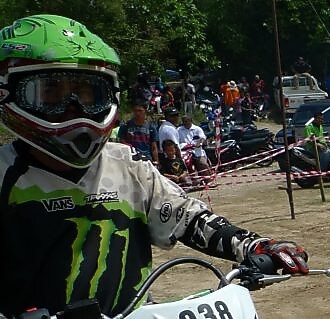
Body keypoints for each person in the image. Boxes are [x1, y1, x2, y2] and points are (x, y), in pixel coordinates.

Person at [0, 15, 309, 317]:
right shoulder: (4, 174)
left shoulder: (126, 163)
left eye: (85, 93)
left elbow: (188, 218)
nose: (74, 109)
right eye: (50, 93)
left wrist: (255, 245)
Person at [178, 115, 211, 179]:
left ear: (191, 121)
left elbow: (202, 137)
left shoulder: (197, 129)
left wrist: (199, 142)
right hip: (185, 153)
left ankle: (208, 179)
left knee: (203, 163)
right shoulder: (179, 130)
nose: (186, 123)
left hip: (196, 151)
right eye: (184, 121)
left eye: (188, 121)